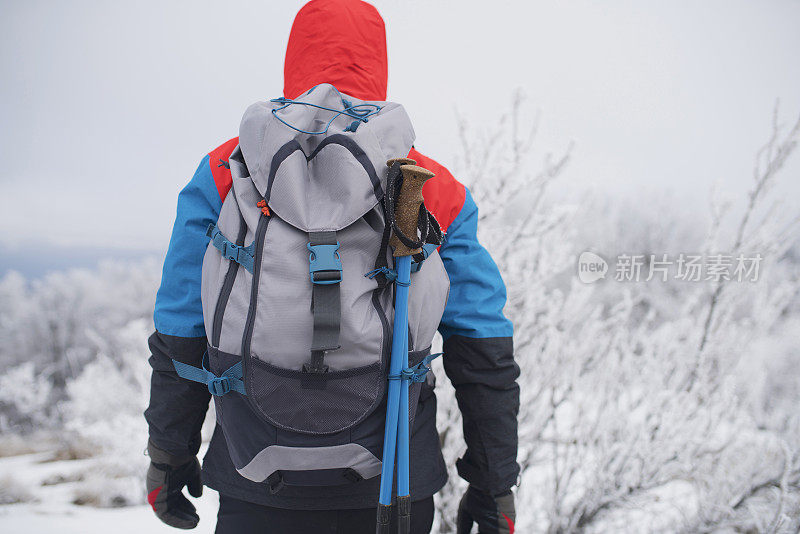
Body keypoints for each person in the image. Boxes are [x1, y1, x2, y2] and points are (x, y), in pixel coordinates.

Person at [144, 1, 519, 532]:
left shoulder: (227, 170)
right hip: (393, 486)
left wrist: (167, 452)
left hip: (255, 477)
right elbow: (483, 345)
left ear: (292, 63)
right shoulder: (427, 183)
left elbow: (182, 323)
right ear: (378, 65)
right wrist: (493, 482)